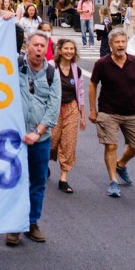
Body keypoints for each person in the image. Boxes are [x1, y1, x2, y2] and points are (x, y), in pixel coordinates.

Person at [6, 31, 60, 246]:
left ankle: (32, 223)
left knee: (37, 182)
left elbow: (53, 107)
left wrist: (37, 132)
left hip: (40, 138)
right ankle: (13, 227)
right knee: (14, 182)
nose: (39, 49)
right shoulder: (14, 66)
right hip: (15, 138)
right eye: (35, 45)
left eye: (42, 46)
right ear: (27, 46)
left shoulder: (51, 73)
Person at [89, 28, 135, 198]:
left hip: (131, 110)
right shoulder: (102, 64)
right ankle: (113, 181)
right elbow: (92, 85)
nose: (120, 45)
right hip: (108, 111)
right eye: (117, 42)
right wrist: (92, 110)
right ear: (110, 44)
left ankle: (121, 164)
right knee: (111, 145)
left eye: (123, 42)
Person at [49, 39, 86, 194]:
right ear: (60, 50)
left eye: (72, 49)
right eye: (66, 48)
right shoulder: (51, 67)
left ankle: (63, 178)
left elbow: (81, 93)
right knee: (51, 140)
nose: (69, 51)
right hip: (53, 108)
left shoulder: (76, 70)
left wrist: (82, 116)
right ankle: (44, 164)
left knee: (69, 142)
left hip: (71, 108)